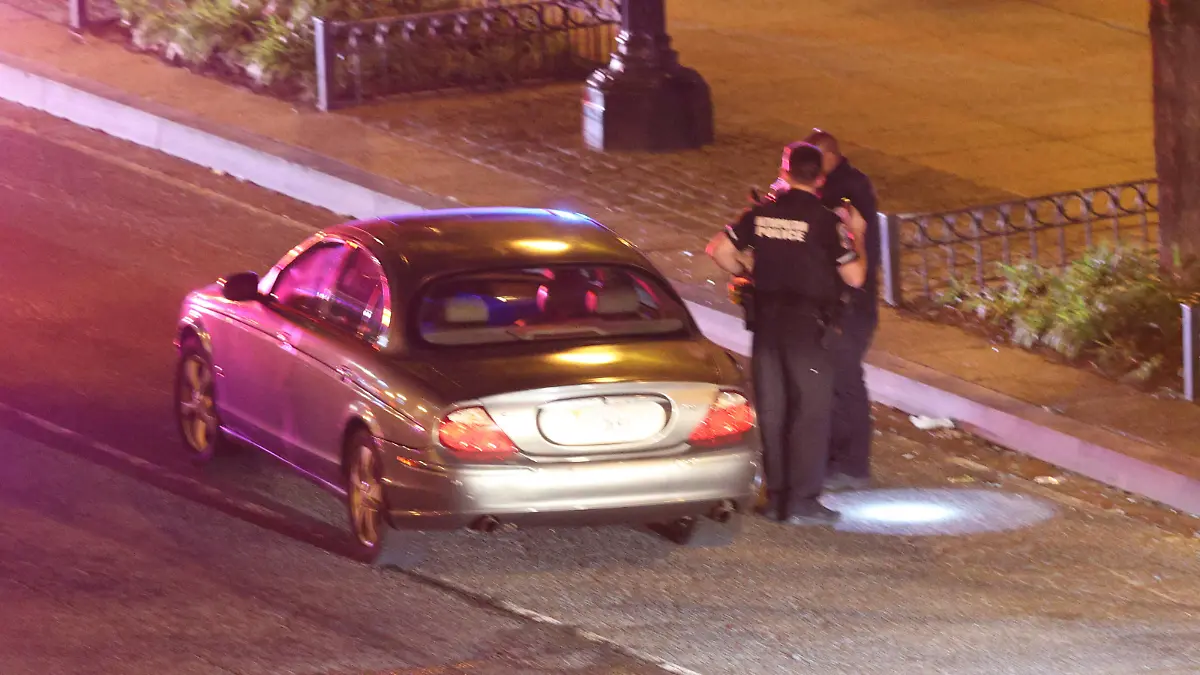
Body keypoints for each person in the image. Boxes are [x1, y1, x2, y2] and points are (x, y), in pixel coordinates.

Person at [706, 142, 868, 525]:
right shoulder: (826, 221)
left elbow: (718, 250)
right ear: (820, 178)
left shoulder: (762, 214)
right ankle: (803, 502)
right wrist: (857, 234)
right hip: (807, 331)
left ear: (786, 170)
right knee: (809, 415)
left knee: (774, 411)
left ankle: (775, 498)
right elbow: (855, 276)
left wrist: (745, 267)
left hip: (767, 327)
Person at [804, 129, 880, 492]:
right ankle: (835, 459)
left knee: (846, 382)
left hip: (852, 303)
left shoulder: (850, 189)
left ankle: (852, 464)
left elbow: (848, 242)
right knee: (832, 382)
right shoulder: (831, 185)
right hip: (834, 302)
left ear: (832, 158)